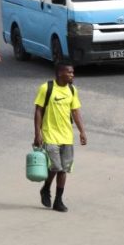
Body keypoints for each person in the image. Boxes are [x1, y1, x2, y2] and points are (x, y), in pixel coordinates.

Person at [33, 62, 87, 213]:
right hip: (50, 135)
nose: (72, 75)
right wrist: (38, 133)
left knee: (64, 169)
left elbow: (76, 112)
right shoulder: (46, 88)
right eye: (69, 72)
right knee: (55, 167)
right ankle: (46, 188)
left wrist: (82, 132)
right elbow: (38, 111)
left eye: (73, 72)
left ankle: (58, 200)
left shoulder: (72, 90)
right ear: (60, 73)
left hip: (67, 136)